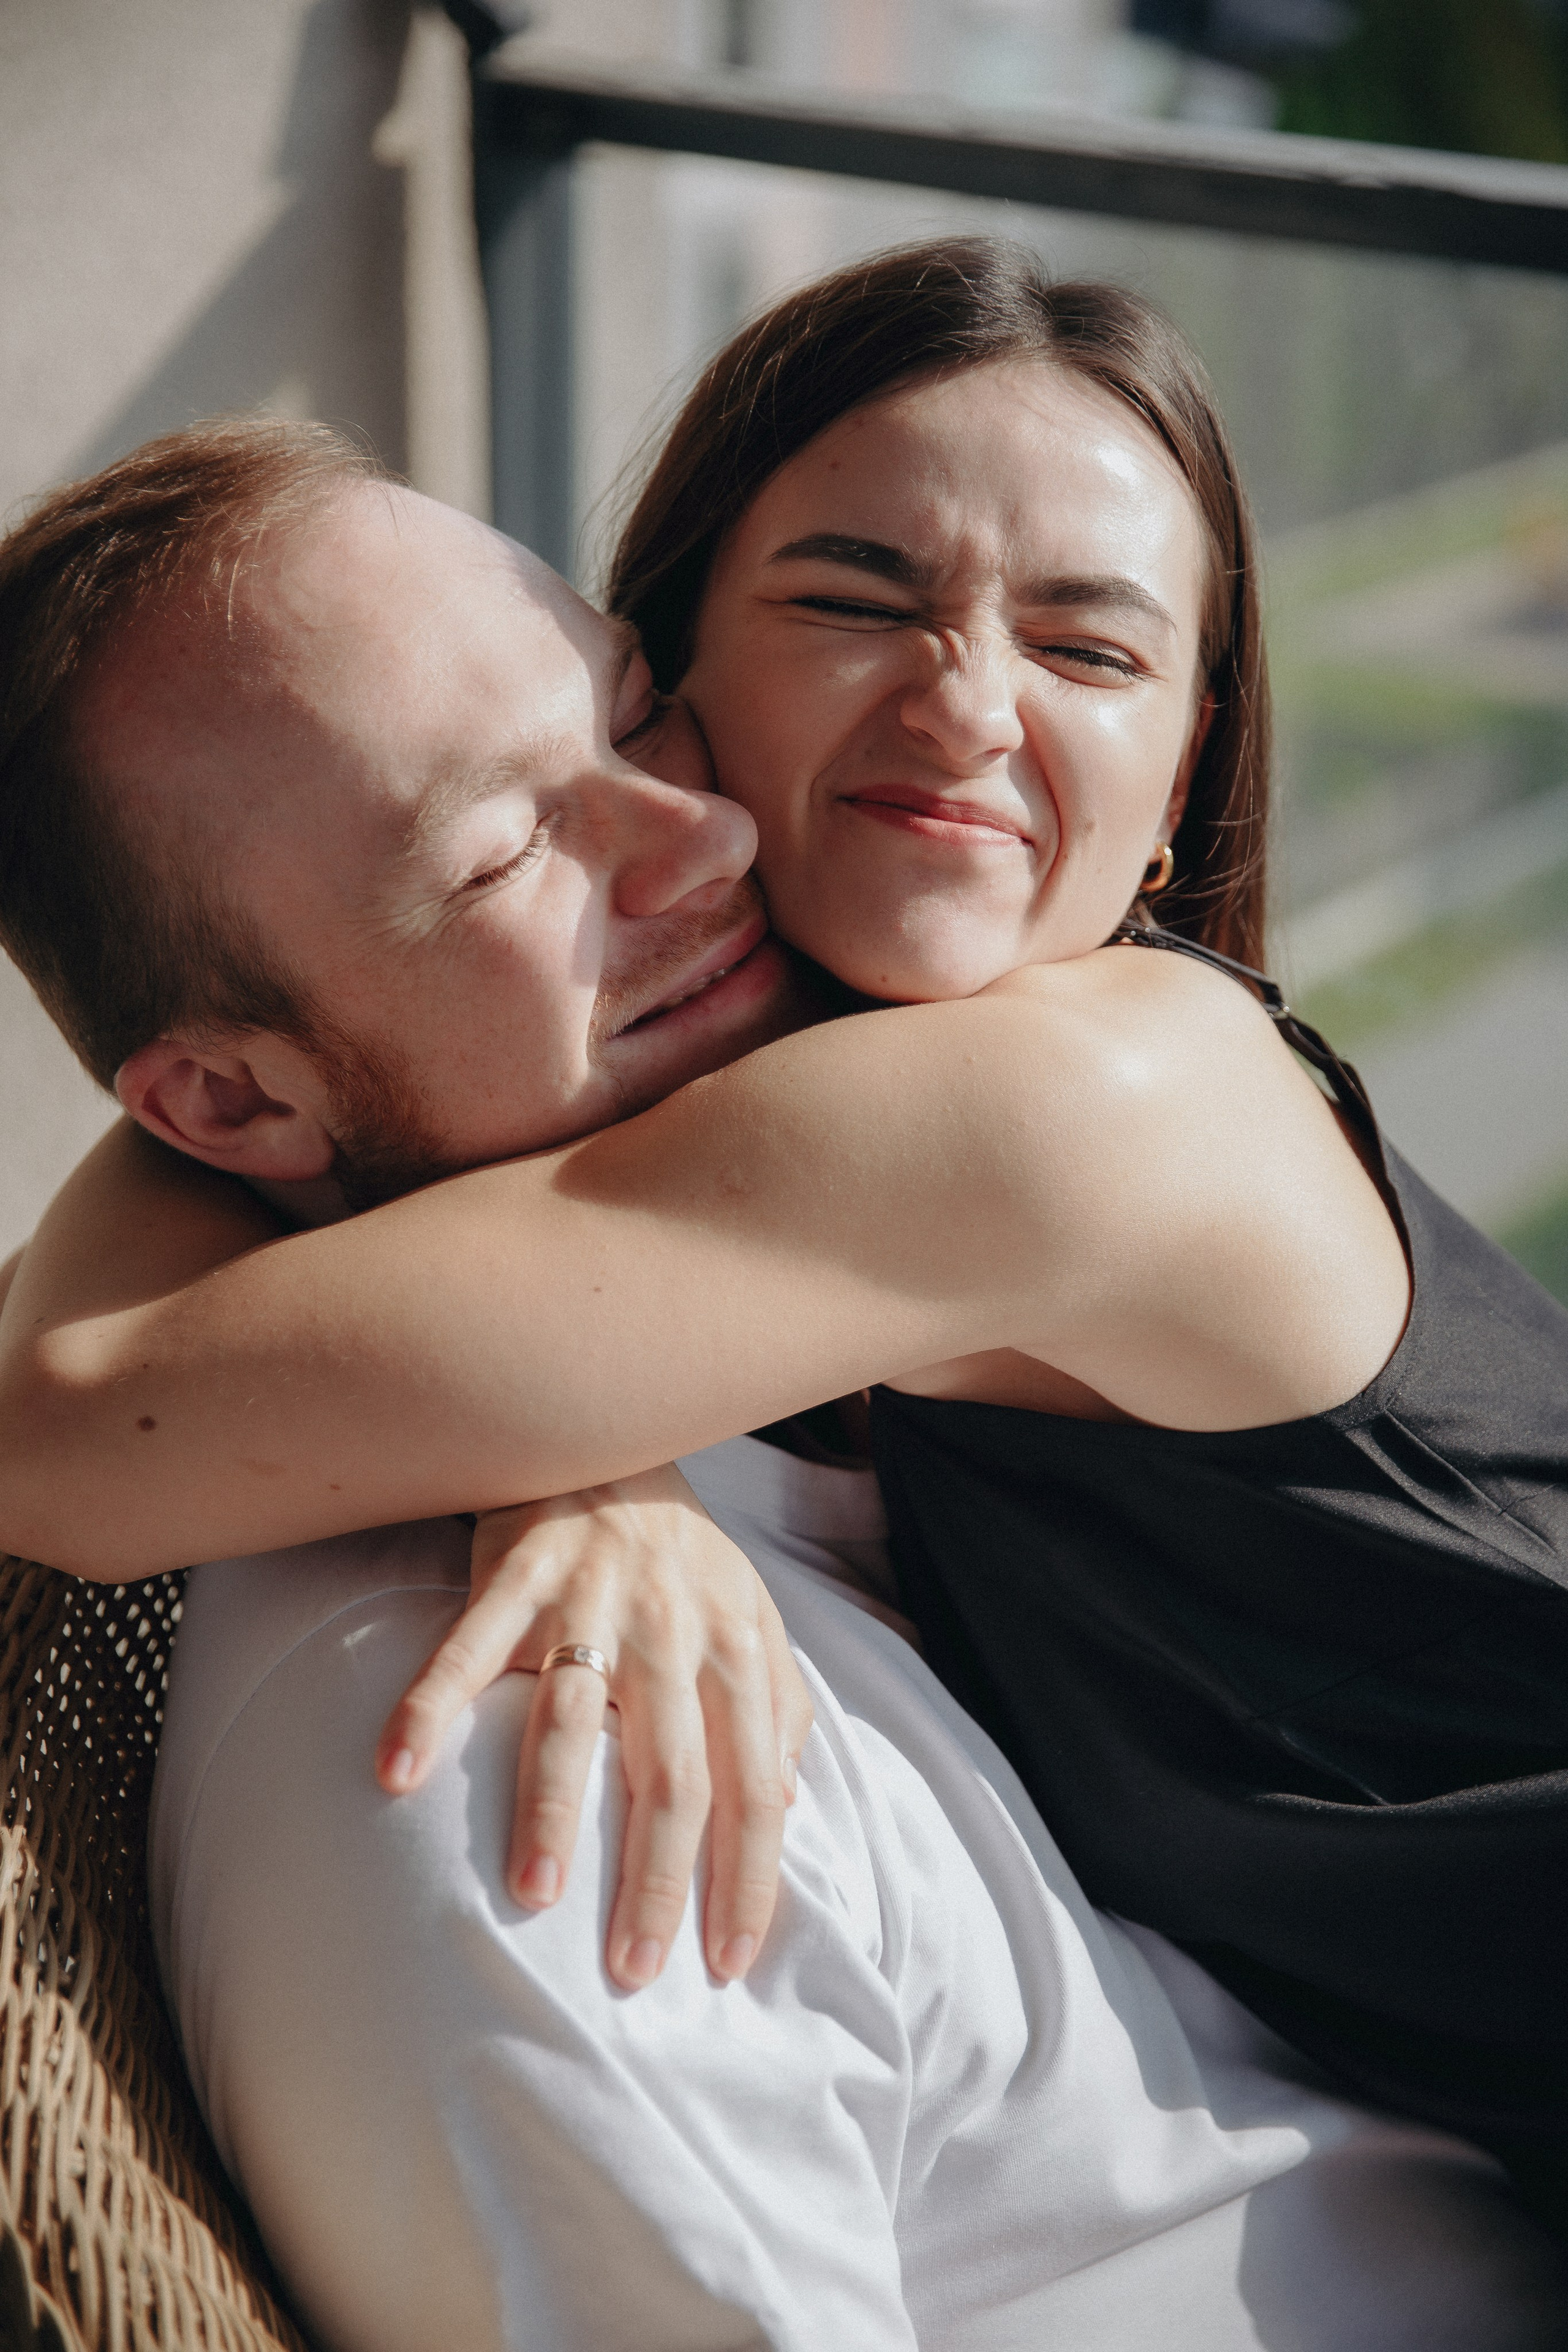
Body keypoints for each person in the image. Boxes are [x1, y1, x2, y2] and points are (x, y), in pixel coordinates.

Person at [2, 237, 1566, 2215]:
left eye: (1093, 651)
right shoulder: (766, 1075)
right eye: (854, 598)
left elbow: (73, 1413)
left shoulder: (1076, 1105)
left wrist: (543, 1413)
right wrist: (559, 1426)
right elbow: (210, 1200)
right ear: (689, 662)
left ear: (1176, 788)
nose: (970, 705)